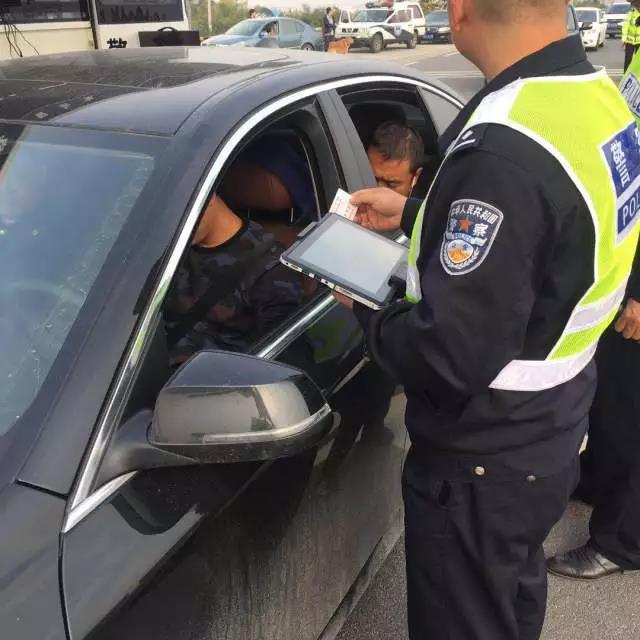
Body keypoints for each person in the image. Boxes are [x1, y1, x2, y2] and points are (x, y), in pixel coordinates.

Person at [334, 0, 640, 638]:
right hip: (551, 419)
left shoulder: (504, 146)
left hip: (486, 452)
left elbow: (449, 353)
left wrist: (365, 307)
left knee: (468, 618)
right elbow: (550, 228)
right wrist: (412, 210)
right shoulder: (595, 97)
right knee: (509, 596)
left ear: (459, 10)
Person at [545, 45, 640, 581]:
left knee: (635, 413)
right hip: (626, 259)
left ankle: (623, 542)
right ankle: (601, 478)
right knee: (613, 398)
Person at [164, 195, 303, 365]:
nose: (172, 223)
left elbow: (281, 359)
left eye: (179, 210)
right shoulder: (169, 246)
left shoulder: (270, 269)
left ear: (208, 198)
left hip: (209, 375)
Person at [367, 122, 424, 197]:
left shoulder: (430, 204)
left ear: (415, 178)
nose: (378, 194)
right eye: (372, 179)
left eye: (391, 185)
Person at [622, 0, 640, 72]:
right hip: (630, 41)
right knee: (628, 59)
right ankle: (625, 74)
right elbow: (625, 26)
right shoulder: (631, 14)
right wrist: (624, 40)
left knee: (638, 60)